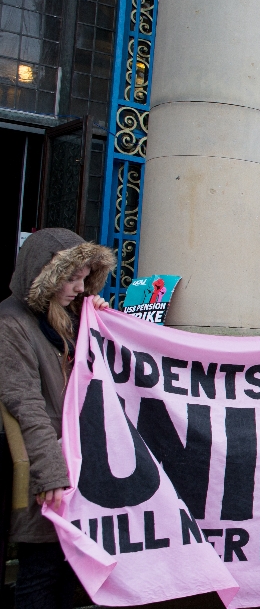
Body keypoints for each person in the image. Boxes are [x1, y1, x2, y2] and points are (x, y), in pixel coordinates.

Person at [0, 229, 114, 608]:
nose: (80, 289)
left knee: (69, 574)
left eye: (85, 278)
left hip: (72, 467)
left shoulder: (64, 318)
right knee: (40, 572)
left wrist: (98, 320)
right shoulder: (12, 324)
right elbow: (25, 403)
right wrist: (50, 474)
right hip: (47, 469)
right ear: (43, 276)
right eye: (71, 278)